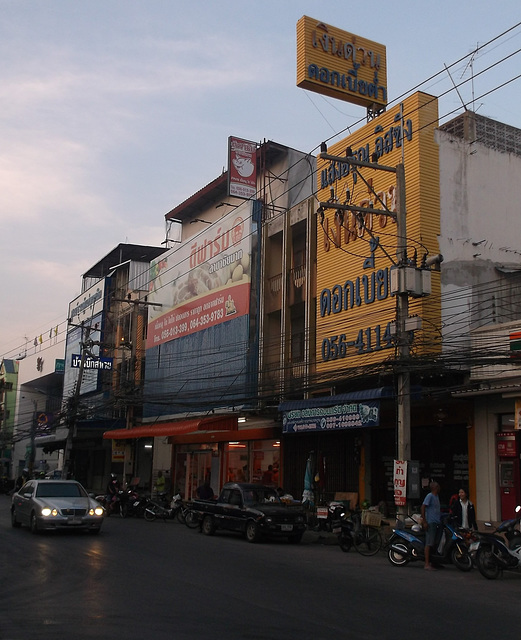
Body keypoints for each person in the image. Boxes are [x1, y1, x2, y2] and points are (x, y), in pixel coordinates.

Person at [421, 481, 442, 571]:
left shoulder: (436, 497)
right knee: (429, 543)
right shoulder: (429, 496)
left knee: (435, 542)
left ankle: (434, 562)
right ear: (435, 487)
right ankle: (426, 564)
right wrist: (424, 521)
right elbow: (423, 507)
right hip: (431, 522)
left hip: (437, 522)